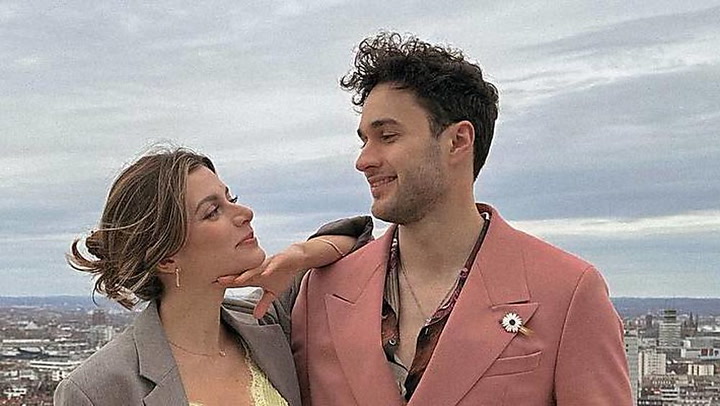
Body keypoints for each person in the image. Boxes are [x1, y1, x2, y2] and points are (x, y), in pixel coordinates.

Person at [291, 32, 633, 405]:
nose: (364, 160)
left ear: (458, 141)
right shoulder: (321, 291)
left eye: (387, 136)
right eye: (364, 141)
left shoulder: (568, 293)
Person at [54, 147, 370, 406]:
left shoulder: (266, 320)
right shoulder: (97, 390)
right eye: (212, 211)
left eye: (231, 199)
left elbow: (357, 243)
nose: (245, 213)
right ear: (166, 257)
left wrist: (296, 257)